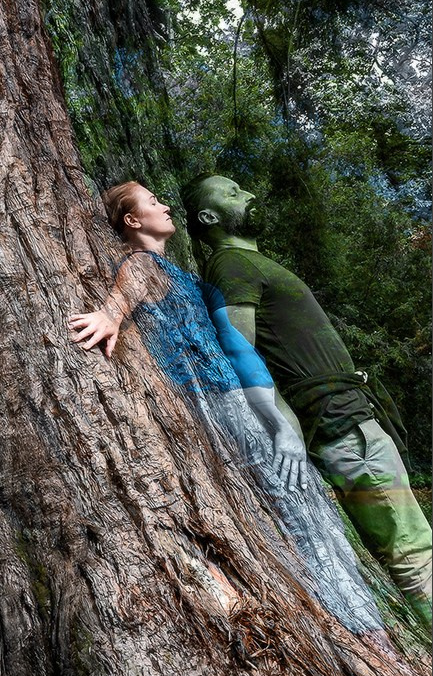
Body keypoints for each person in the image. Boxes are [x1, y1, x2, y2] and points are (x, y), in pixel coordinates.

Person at [69, 181, 387, 640]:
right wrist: (109, 314)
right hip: (219, 408)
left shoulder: (193, 280)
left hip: (231, 407)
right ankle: (356, 626)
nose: (164, 204)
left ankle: (358, 622)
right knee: (294, 511)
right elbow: (131, 283)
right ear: (133, 220)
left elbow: (240, 350)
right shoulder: (142, 263)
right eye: (152, 201)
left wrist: (280, 424)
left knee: (300, 508)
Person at [182, 172, 432, 633]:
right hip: (340, 427)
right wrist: (284, 423)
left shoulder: (249, 262)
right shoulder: (230, 264)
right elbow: (238, 348)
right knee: (411, 546)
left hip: (352, 417)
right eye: (233, 192)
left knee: (414, 541)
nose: (251, 192)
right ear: (208, 216)